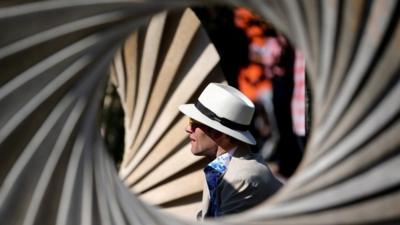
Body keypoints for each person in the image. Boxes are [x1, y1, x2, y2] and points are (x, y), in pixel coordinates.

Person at [178, 83, 282, 220]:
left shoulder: (241, 178)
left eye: (194, 123)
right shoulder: (224, 166)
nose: (188, 128)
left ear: (219, 133)